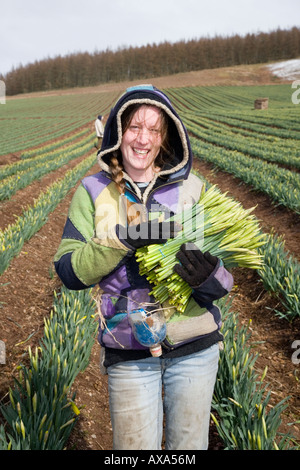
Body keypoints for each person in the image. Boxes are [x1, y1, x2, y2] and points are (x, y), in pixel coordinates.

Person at [54, 85, 234, 450]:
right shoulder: (93, 191)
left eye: (154, 129)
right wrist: (122, 240)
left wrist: (207, 277)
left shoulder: (191, 189)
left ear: (166, 137)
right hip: (129, 350)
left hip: (194, 347)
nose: (143, 138)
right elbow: (69, 271)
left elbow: (225, 279)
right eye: (135, 126)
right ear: (118, 132)